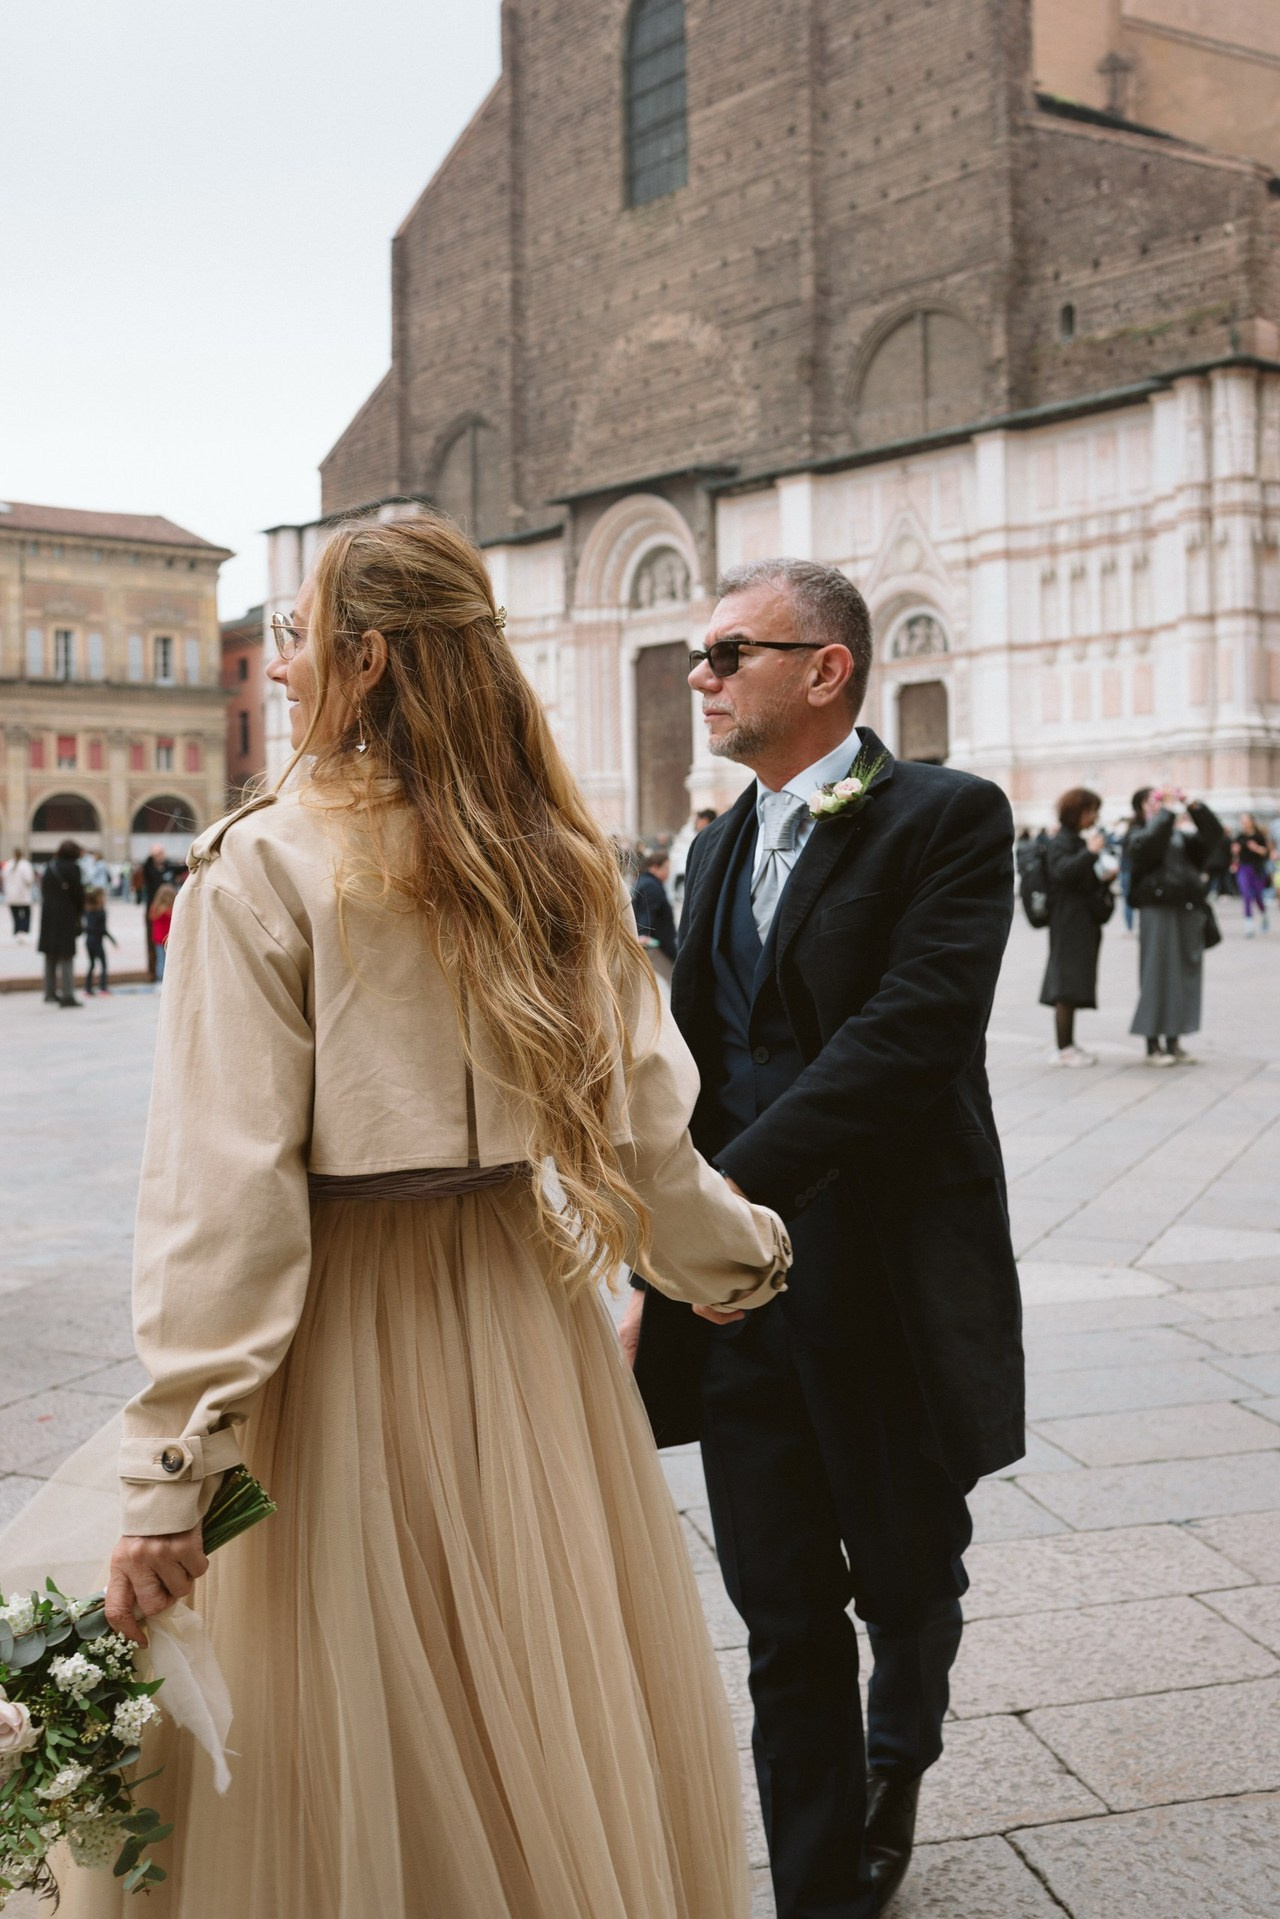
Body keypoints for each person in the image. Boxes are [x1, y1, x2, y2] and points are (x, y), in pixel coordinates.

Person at [65, 513, 792, 1919]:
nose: (280, 672)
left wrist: (170, 1475)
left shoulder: (263, 863)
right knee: (533, 1705)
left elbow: (225, 1201)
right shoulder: (558, 857)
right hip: (525, 1327)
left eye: (294, 637)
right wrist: (742, 1261)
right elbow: (649, 1142)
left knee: (347, 1730)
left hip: (336, 1343)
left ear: (369, 654)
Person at [623, 559, 1023, 1919]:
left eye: (731, 650)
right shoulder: (715, 842)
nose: (703, 675)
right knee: (784, 1614)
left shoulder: (947, 817)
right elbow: (690, 1058)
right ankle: (818, 1888)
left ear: (828, 667)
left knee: (907, 1577)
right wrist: (664, 1255)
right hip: (741, 1302)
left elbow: (902, 1043)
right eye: (700, 653)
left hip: (893, 1283)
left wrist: (712, 1199)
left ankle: (895, 1763)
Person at [1127, 785, 1225, 1064]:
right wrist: (1166, 812)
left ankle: (1174, 1040)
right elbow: (1150, 845)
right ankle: (1152, 1045)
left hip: (1187, 908)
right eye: (1152, 802)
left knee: (1184, 974)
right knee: (1156, 974)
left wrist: (1193, 805)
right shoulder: (1137, 836)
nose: (1158, 806)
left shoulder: (1181, 837)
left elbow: (1214, 836)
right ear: (1140, 808)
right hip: (1157, 909)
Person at [1039, 787, 1115, 1066]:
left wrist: (1104, 879)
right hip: (1068, 922)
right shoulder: (1062, 840)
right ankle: (1064, 1050)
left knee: (1072, 982)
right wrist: (1091, 853)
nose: (1094, 816)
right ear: (1076, 812)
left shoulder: (1074, 840)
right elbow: (1063, 873)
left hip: (1079, 921)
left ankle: (1068, 1044)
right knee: (1066, 985)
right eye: (1091, 810)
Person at [38, 839, 85, 1008]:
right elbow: (78, 894)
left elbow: (43, 890)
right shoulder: (73, 868)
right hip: (66, 914)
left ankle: (49, 992)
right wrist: (80, 913)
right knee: (66, 955)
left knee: (50, 954)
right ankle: (67, 994)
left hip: (48, 915)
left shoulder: (49, 867)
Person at [632, 847, 678, 977]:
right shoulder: (650, 885)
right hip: (660, 944)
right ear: (655, 867)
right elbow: (646, 912)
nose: (668, 873)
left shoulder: (646, 881)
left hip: (660, 941)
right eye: (666, 868)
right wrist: (643, 934)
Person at [1232, 811, 1273, 936]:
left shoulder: (1259, 836)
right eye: (1242, 821)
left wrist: (1256, 848)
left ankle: (1264, 914)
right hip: (1244, 868)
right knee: (1246, 895)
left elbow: (1267, 853)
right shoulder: (1239, 836)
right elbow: (1235, 854)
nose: (1243, 823)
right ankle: (1249, 925)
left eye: (1245, 820)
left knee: (1258, 897)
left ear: (1251, 821)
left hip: (1257, 869)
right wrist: (1235, 852)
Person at [141, 843, 172, 980]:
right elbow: (146, 868)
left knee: (163, 954)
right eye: (157, 854)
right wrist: (152, 856)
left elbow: (179, 868)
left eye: (161, 853)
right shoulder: (149, 868)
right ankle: (153, 973)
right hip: (154, 904)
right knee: (154, 950)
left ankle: (160, 976)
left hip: (164, 906)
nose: (160, 856)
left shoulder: (166, 867)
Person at [83, 886, 119, 995]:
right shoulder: (101, 912)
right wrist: (112, 940)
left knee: (92, 964)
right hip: (97, 940)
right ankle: (103, 987)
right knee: (103, 964)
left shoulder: (87, 910)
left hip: (89, 940)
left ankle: (88, 988)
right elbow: (103, 929)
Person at [2, 846, 36, 941]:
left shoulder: (8, 864)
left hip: (11, 895)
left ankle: (17, 930)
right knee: (26, 913)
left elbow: (4, 878)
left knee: (15, 915)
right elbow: (29, 879)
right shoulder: (25, 865)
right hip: (23, 895)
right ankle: (23, 929)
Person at [147, 882, 177, 982]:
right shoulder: (172, 908)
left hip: (158, 938)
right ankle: (168, 980)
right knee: (170, 960)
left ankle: (160, 980)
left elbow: (152, 918)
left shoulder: (155, 907)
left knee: (160, 960)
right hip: (170, 938)